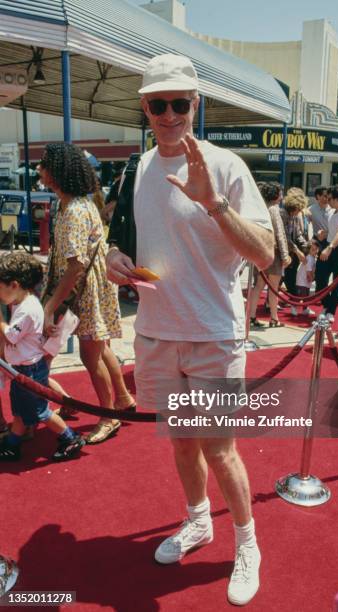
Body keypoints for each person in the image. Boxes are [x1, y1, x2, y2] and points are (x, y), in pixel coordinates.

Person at [106, 53, 275, 606]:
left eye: (180, 103)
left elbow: (268, 255)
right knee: (181, 444)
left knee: (221, 448)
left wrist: (215, 205)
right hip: (157, 331)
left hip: (212, 334)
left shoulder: (226, 166)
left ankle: (246, 543)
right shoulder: (136, 169)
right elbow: (121, 241)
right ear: (146, 109)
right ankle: (198, 522)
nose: (170, 113)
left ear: (195, 105)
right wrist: (113, 259)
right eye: (159, 104)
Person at [37, 143, 136, 444]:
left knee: (89, 353)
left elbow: (75, 266)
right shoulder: (74, 204)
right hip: (92, 287)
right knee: (100, 346)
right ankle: (122, 399)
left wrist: (50, 304)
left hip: (86, 290)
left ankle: (109, 417)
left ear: (57, 172)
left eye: (44, 164)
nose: (39, 169)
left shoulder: (74, 210)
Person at [0, 252, 84, 461]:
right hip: (23, 368)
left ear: (14, 285)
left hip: (28, 370)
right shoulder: (24, 302)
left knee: (41, 411)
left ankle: (70, 437)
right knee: (20, 411)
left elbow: (11, 336)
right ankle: (12, 444)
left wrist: (0, 320)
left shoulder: (26, 309)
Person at [249, 182, 291, 328]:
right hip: (273, 253)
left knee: (258, 285)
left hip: (259, 251)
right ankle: (274, 318)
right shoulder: (274, 210)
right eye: (280, 193)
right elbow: (280, 233)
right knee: (274, 287)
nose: (282, 196)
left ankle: (252, 316)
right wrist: (285, 255)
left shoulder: (259, 207)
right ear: (275, 195)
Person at [319, 185, 338, 323]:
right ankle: (326, 305)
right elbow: (332, 230)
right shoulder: (331, 212)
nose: (327, 201)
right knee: (320, 278)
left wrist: (330, 247)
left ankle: (331, 310)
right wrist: (323, 234)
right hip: (329, 244)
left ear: (337, 198)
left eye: (329, 198)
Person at [280, 188, 308, 317]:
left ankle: (271, 302)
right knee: (287, 278)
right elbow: (285, 237)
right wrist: (298, 251)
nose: (299, 212)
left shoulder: (296, 216)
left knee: (284, 278)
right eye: (298, 209)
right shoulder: (282, 214)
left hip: (293, 253)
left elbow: (298, 235)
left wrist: (306, 246)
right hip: (282, 252)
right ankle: (294, 303)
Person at [308, 186, 333, 301]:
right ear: (317, 196)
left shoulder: (333, 210)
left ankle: (322, 291)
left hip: (330, 241)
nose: (326, 198)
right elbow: (305, 225)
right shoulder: (311, 209)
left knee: (325, 268)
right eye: (323, 196)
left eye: (328, 196)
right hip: (316, 241)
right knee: (313, 266)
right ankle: (317, 290)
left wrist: (326, 233)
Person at [295, 239, 319, 311]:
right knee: (301, 296)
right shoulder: (309, 258)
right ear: (308, 250)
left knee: (305, 295)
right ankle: (294, 307)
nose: (315, 251)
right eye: (313, 250)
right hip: (302, 281)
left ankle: (305, 309)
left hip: (305, 281)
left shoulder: (313, 258)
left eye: (316, 249)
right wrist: (311, 278)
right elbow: (308, 270)